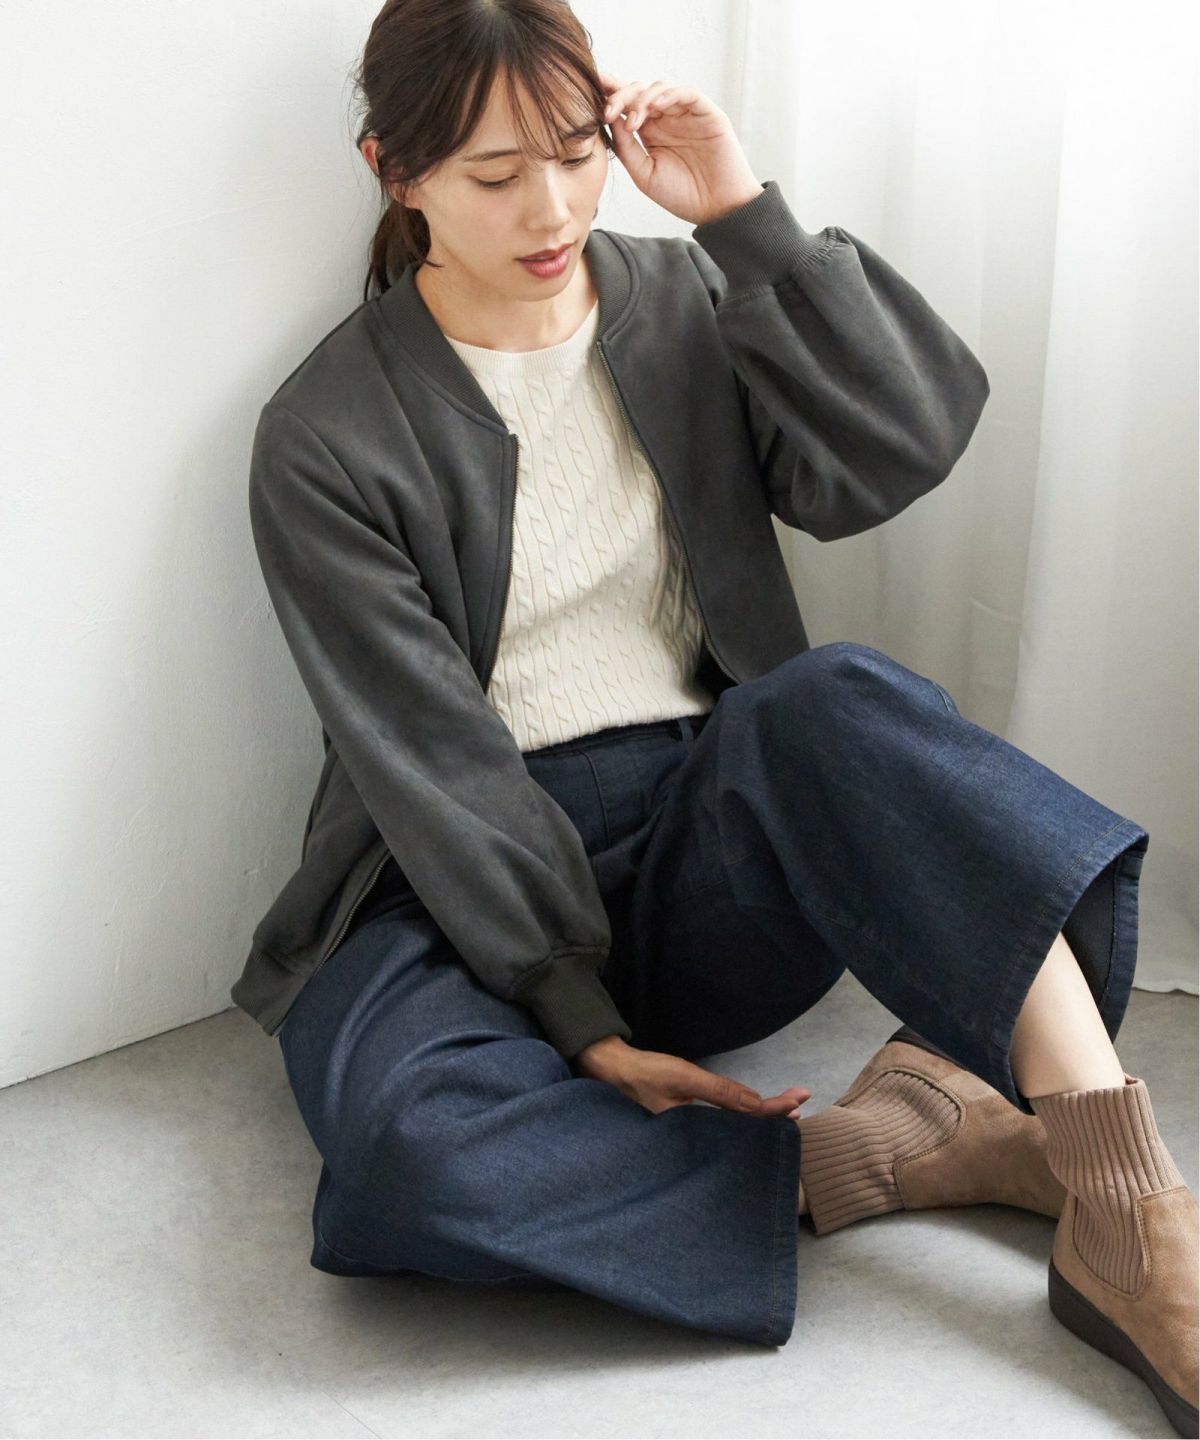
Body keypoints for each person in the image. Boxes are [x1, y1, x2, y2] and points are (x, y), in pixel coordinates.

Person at [231, 1, 1198, 1433]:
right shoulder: (327, 432)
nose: (552, 209)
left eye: (577, 154)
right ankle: (906, 1148)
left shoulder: (682, 299)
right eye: (496, 175)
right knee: (406, 1152)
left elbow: (901, 440)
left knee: (833, 699)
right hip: (447, 882)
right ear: (397, 171)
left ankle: (1123, 1190)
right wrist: (580, 1022)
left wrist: (746, 222)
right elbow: (428, 757)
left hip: (704, 843)